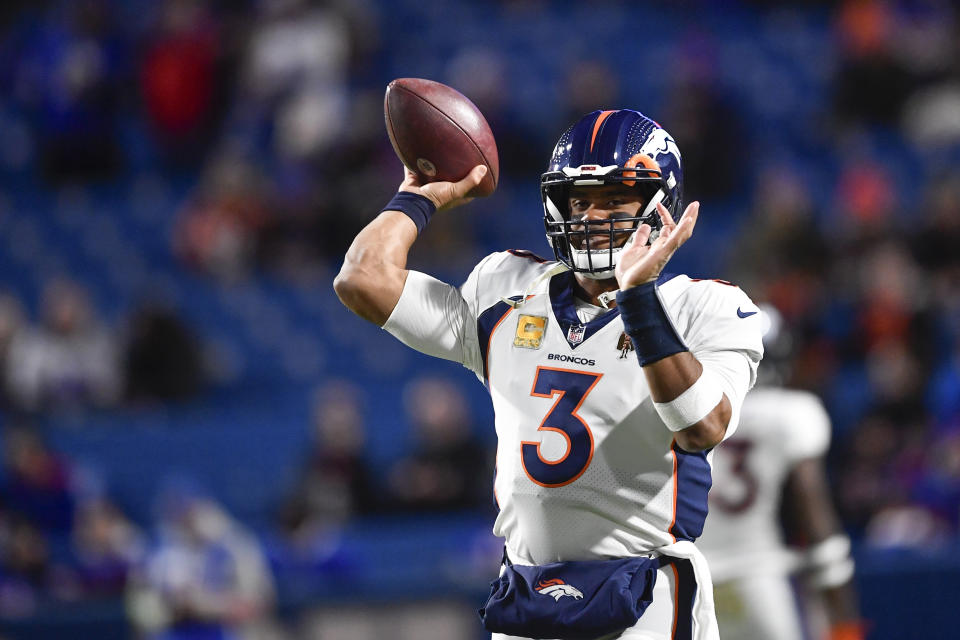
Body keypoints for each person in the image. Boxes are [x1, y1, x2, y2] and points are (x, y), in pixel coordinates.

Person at [334, 109, 764, 640]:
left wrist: (638, 301)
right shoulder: (506, 289)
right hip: (529, 591)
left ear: (660, 207)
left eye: (613, 199)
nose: (590, 216)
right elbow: (361, 279)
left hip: (645, 593)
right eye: (578, 201)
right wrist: (421, 197)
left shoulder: (706, 307)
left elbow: (701, 427)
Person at [697, 309, 863, 640]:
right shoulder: (794, 413)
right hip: (763, 578)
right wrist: (844, 618)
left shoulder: (694, 413)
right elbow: (815, 520)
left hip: (695, 584)